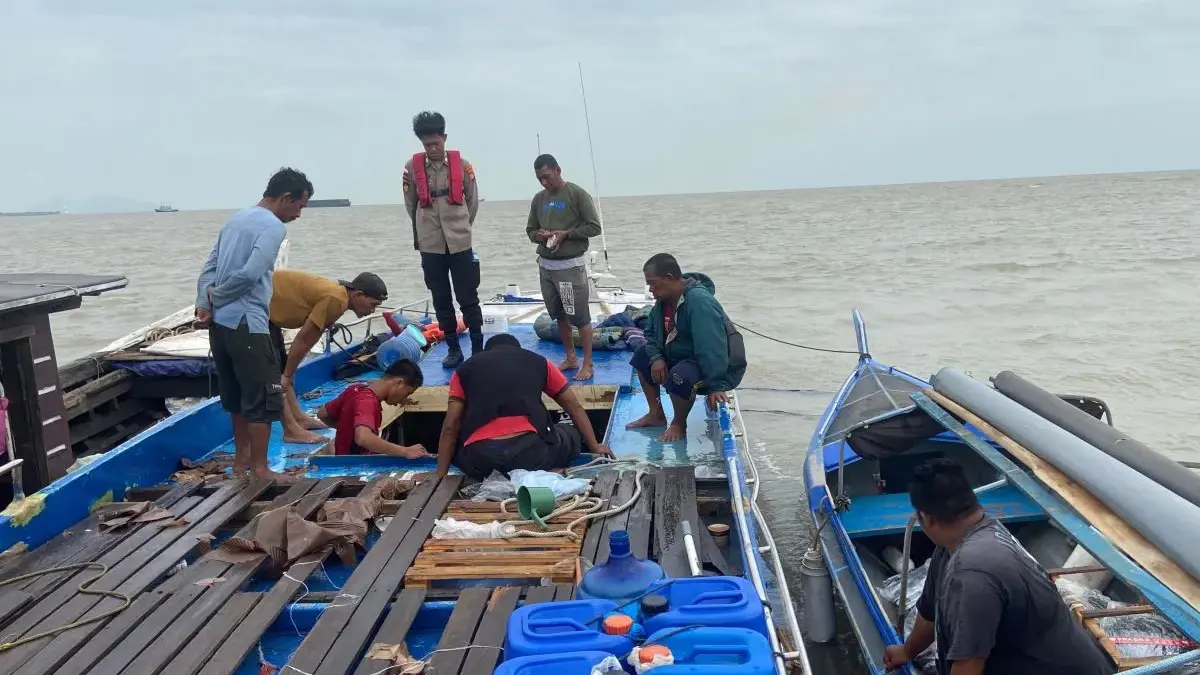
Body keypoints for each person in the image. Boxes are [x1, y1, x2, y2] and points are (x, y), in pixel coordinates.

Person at [882, 458, 1114, 675]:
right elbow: (929, 612)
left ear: (926, 518)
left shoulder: (972, 573)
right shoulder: (953, 546)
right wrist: (907, 651)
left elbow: (969, 666)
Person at [195, 167, 312, 480]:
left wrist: (204, 305)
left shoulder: (235, 220)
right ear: (286, 198)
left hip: (220, 328)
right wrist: (218, 297)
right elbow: (250, 274)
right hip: (249, 323)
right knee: (262, 396)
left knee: (236, 397)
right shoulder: (273, 227)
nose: (298, 214)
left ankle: (242, 461)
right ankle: (261, 468)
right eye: (299, 206)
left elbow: (209, 268)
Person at [434, 334, 612, 480]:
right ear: (518, 349)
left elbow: (451, 425)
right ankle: (547, 470)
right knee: (569, 433)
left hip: (481, 461)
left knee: (457, 446)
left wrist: (440, 474)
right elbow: (573, 406)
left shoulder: (463, 370)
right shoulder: (541, 363)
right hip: (530, 455)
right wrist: (595, 446)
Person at [625, 253, 746, 442]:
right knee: (642, 355)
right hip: (684, 354)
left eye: (653, 283)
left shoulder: (698, 302)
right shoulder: (664, 300)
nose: (650, 290)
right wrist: (657, 358)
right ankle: (655, 414)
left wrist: (716, 385)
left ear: (669, 278)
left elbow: (712, 346)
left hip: (719, 365)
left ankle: (679, 423)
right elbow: (649, 332)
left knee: (680, 374)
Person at [268, 269, 389, 444]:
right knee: (275, 378)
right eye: (373, 304)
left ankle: (299, 418)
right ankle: (290, 430)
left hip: (271, 316)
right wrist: (287, 375)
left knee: (284, 370)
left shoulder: (338, 296)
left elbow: (312, 337)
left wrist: (288, 372)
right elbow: (303, 339)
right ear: (358, 295)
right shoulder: (336, 300)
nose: (373, 310)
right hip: (258, 310)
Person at [403, 111, 482, 368]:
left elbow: (472, 201)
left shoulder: (463, 166)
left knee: (468, 295)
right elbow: (410, 205)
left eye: (436, 143)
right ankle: (453, 348)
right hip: (431, 245)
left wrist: (461, 227)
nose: (432, 148)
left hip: (460, 242)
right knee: (440, 298)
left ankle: (478, 349)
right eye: (427, 145)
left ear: (444, 138)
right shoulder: (411, 169)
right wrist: (425, 232)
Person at [526, 154, 603, 381]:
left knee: (580, 316)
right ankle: (571, 357)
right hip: (546, 266)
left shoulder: (576, 194)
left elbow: (594, 227)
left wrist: (566, 234)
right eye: (540, 178)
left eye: (547, 177)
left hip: (570, 267)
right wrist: (540, 236)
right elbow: (530, 230)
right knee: (558, 314)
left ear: (558, 170)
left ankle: (588, 363)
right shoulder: (538, 199)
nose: (544, 183)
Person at [315, 359, 430, 458]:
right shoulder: (368, 402)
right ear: (399, 383)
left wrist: (346, 429)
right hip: (355, 468)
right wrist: (405, 451)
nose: (403, 400)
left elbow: (323, 414)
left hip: (342, 460)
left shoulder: (355, 389)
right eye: (407, 393)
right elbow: (363, 438)